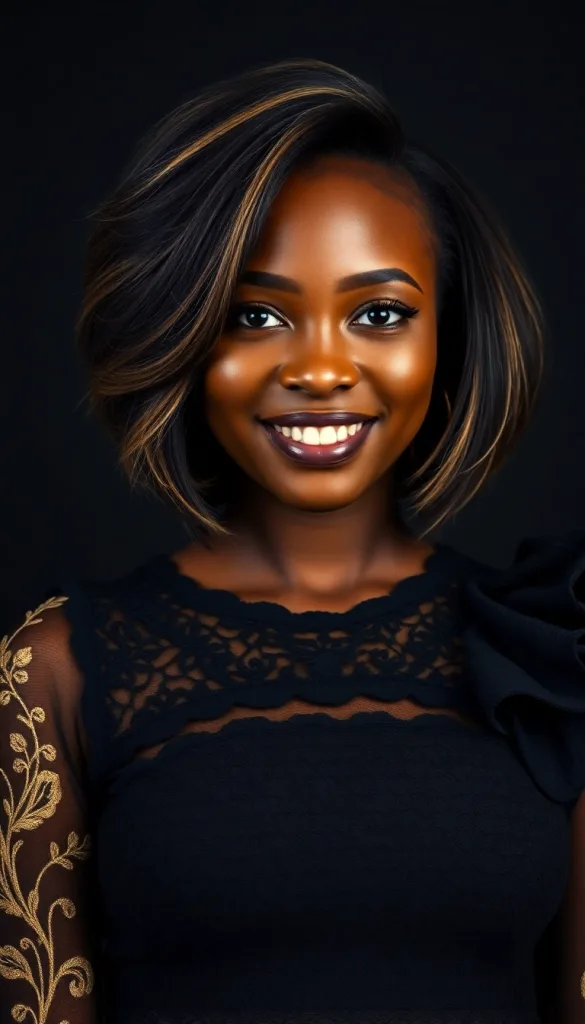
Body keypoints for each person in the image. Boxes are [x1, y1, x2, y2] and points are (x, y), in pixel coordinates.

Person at [1, 58, 584, 1024]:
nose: (320, 367)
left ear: (449, 335)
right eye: (256, 314)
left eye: (380, 314)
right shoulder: (56, 673)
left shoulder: (551, 652)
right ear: (185, 332)